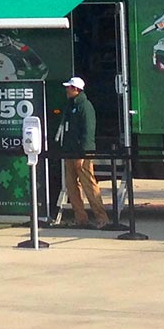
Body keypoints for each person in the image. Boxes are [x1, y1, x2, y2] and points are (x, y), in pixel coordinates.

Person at [53, 76, 107, 229]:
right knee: (71, 186)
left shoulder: (85, 106)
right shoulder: (70, 106)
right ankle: (80, 218)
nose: (66, 90)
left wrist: (83, 154)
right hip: (69, 152)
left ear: (76, 89)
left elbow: (88, 132)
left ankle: (102, 218)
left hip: (81, 154)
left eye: (69, 87)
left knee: (89, 185)